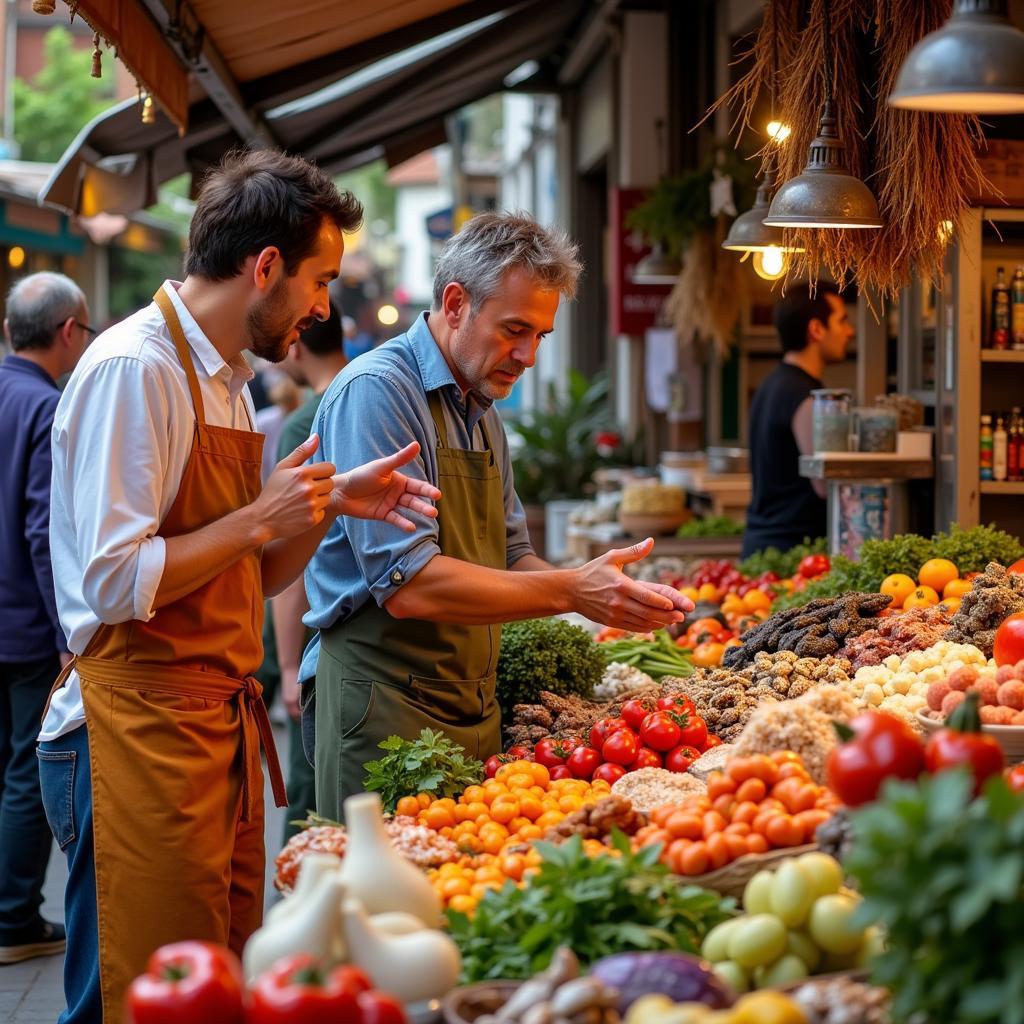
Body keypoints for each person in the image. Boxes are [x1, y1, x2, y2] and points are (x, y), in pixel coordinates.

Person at [38, 149, 441, 1024]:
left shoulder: (227, 381)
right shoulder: (134, 368)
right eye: (319, 279)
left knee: (213, 989)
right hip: (129, 729)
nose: (325, 305)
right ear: (265, 268)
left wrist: (326, 509)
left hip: (207, 725)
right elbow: (114, 580)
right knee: (136, 996)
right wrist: (260, 517)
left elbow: (252, 575)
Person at [302, 211, 694, 818]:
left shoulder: (480, 408)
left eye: (541, 336)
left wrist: (604, 587)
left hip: (470, 707)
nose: (528, 355)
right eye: (515, 329)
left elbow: (512, 556)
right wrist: (572, 591)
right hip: (383, 709)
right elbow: (409, 586)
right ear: (455, 303)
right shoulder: (377, 391)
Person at [0, 272, 92, 965]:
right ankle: (12, 920)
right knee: (27, 773)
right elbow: (43, 532)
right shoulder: (46, 408)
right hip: (27, 628)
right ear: (69, 332)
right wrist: (68, 636)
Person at [273, 301, 347, 839]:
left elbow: (288, 562)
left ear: (297, 343)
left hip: (320, 640)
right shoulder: (383, 394)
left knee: (309, 796)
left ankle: (296, 907)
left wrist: (286, 665)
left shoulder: (306, 423)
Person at [742, 281, 854, 558]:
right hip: (789, 554)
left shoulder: (771, 384)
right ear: (816, 329)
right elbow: (824, 485)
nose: (850, 332)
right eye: (842, 321)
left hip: (764, 546)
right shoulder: (804, 397)